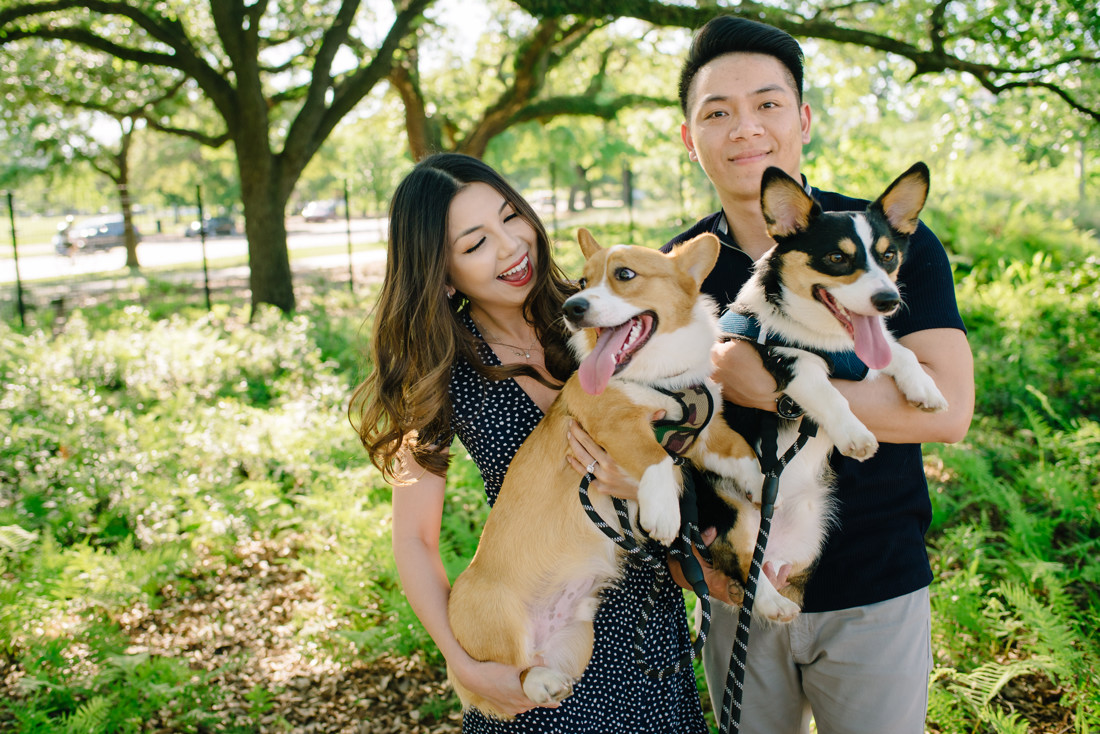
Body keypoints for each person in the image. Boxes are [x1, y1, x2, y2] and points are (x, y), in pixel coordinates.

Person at [663, 16, 976, 734]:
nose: (746, 128)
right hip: (737, 587)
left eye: (768, 104)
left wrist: (768, 389)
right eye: (718, 112)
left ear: (802, 118)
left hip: (875, 588)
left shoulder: (883, 243)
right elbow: (656, 423)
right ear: (690, 137)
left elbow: (948, 410)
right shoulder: (678, 269)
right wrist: (688, 554)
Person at [350, 153, 709, 733]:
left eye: (510, 217)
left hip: (644, 624)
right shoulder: (442, 372)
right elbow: (414, 538)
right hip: (534, 645)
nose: (511, 247)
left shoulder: (604, 305)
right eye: (475, 244)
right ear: (442, 275)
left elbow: (695, 414)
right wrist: (463, 663)